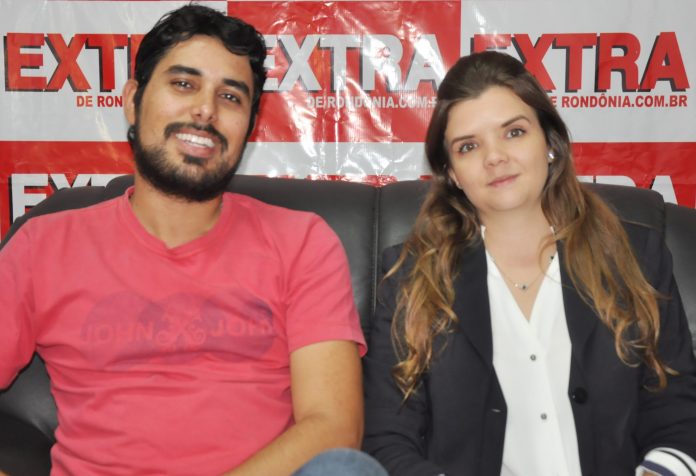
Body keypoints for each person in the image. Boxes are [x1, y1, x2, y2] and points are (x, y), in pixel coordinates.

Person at [0, 5, 387, 476]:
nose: (206, 110)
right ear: (133, 100)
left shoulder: (302, 242)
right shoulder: (44, 246)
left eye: (230, 96)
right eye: (184, 84)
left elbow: (333, 426)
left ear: (249, 127)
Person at [363, 51, 696, 476]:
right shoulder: (410, 278)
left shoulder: (635, 255)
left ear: (550, 143)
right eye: (469, 146)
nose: (495, 157)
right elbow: (388, 440)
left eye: (514, 132)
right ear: (452, 173)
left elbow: (677, 413)